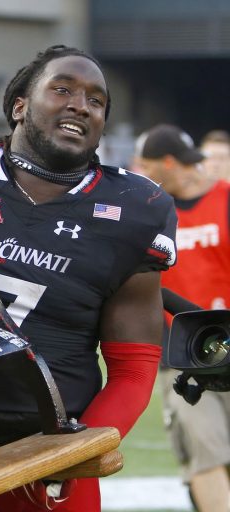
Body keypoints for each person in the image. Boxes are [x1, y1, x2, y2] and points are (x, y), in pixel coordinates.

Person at [0, 45, 177, 511]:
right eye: (63, 88)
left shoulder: (135, 208)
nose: (80, 104)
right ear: (19, 106)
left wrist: (76, 452)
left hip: (54, 449)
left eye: (96, 100)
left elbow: (133, 368)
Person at [136, 123, 230, 512]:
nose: (142, 175)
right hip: (182, 353)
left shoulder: (225, 199)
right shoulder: (152, 211)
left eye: (147, 166)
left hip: (227, 340)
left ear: (169, 163)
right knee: (204, 455)